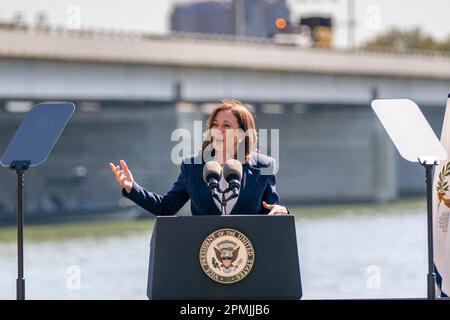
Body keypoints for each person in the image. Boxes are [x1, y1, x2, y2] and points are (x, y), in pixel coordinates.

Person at [109, 100, 289, 216]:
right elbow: (166, 208)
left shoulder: (264, 166)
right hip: (204, 262)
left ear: (242, 133)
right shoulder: (192, 166)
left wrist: (282, 211)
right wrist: (132, 188)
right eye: (215, 125)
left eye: (226, 125)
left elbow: (272, 210)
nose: (217, 130)